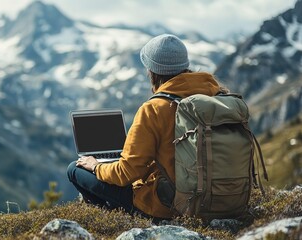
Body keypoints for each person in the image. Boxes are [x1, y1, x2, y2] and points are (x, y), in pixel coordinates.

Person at [67, 34, 224, 221]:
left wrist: (95, 166)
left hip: (169, 205)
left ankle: (115, 216)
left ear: (153, 71)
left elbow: (126, 173)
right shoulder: (217, 95)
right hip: (224, 196)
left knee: (74, 169)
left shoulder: (155, 108)